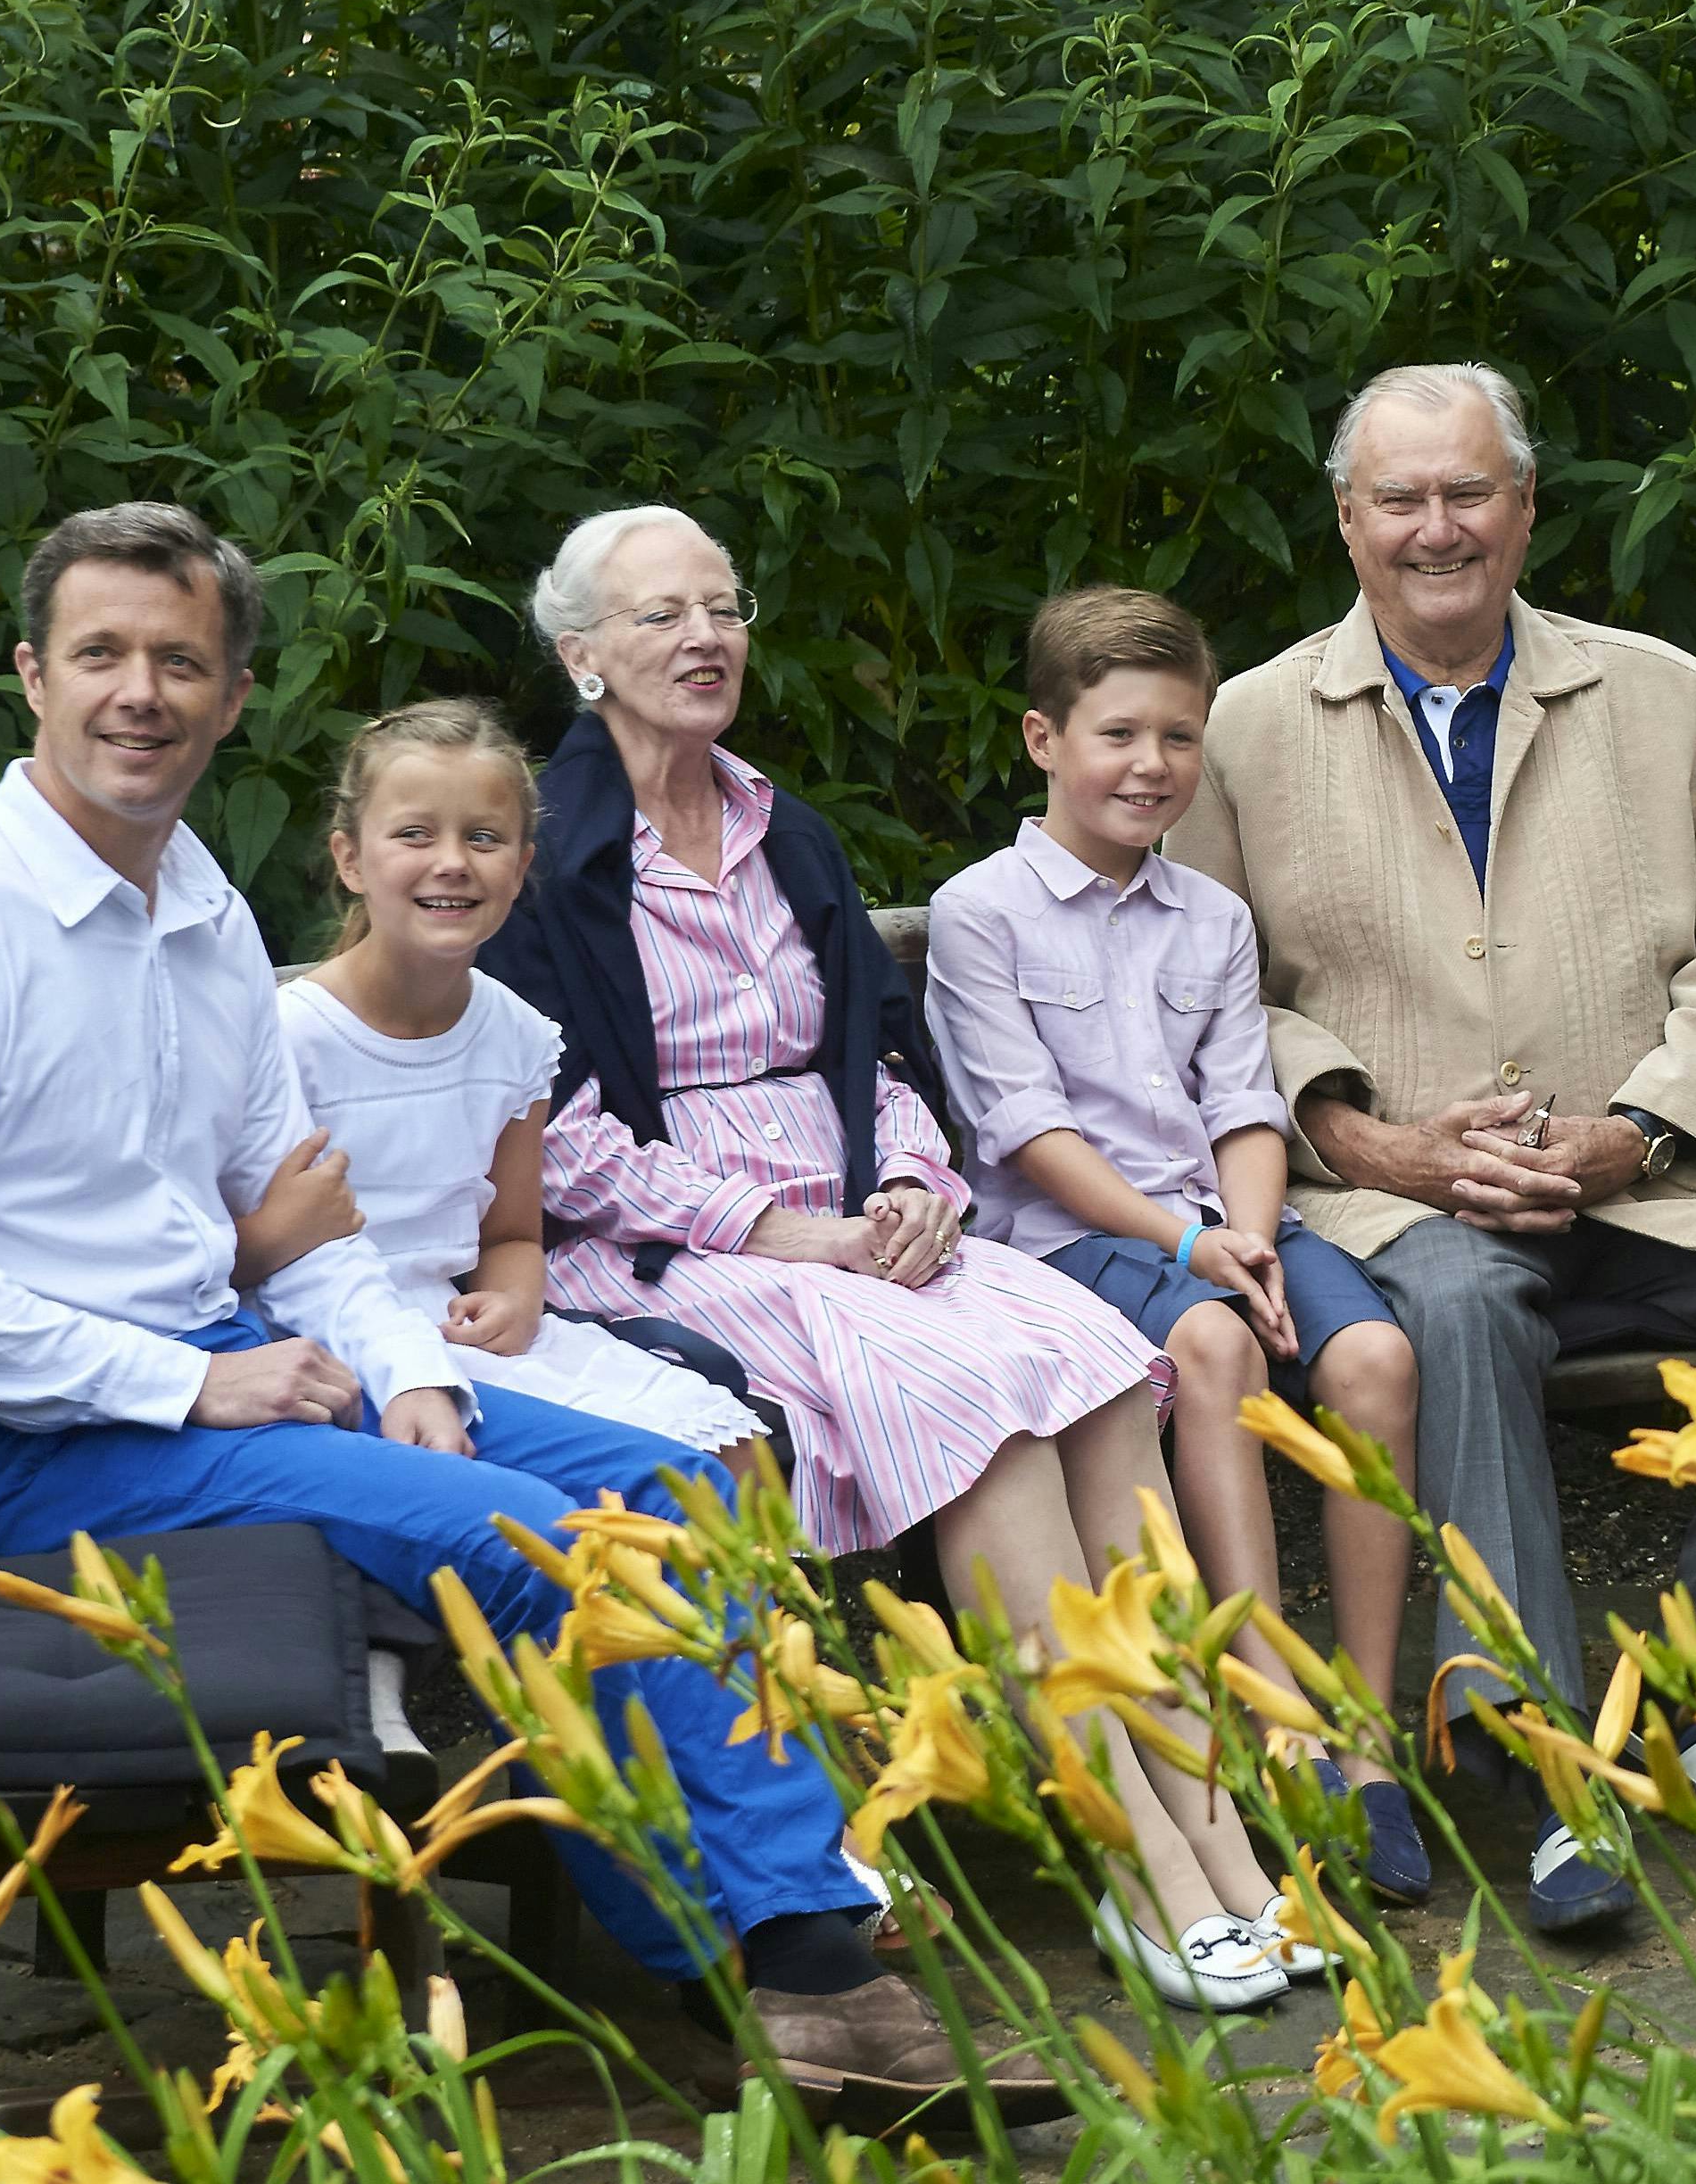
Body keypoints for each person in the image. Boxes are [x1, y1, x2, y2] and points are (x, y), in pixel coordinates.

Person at [0, 506, 1046, 2118]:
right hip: (18, 1436)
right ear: (31, 673)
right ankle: (789, 1969)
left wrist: (411, 1379)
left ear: (236, 690)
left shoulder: (197, 917)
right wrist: (193, 1389)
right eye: (102, 653)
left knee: (665, 1490)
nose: (141, 691)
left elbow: (316, 1223)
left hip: (218, 1369)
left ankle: (777, 1936)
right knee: (521, 1539)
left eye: (181, 658)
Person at [472, 509, 1312, 2009]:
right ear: (577, 650)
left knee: (1096, 1359)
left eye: (722, 604)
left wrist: (920, 1180)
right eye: (659, 613)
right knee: (976, 1391)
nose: (703, 636)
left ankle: (1219, 1828)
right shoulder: (544, 857)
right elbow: (549, 1134)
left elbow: (877, 1049)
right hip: (667, 1252)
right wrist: (775, 1225)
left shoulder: (785, 826)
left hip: (862, 1230)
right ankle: (1138, 1864)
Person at [1170, 364, 1696, 1938]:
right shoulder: (1246, 723)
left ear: (1524, 508)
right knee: (1448, 1312)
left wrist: (1633, 1130)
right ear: (1346, 518)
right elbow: (1207, 981)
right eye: (1401, 498)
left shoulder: (1662, 691)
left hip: (1661, 1171)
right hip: (1402, 1197)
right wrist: (1368, 1136)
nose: (1435, 528)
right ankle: (1542, 1744)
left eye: (1468, 493)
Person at [921, 584, 1435, 1907]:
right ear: (1043, 738)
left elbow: (1244, 1106)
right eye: (1118, 734)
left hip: (1227, 1221)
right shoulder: (984, 914)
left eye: (1180, 737)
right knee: (1213, 1348)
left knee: (1374, 1356)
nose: (1152, 765)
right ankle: (1271, 1700)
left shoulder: (1208, 917)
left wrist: (1251, 1237)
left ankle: (1365, 1735)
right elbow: (1027, 1138)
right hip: (1070, 1241)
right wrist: (1192, 1248)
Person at [277, 699, 765, 1469]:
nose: (452, 862)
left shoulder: (517, 1037)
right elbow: (268, 1250)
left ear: (522, 866)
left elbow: (508, 1235)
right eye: (414, 834)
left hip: (459, 1330)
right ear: (350, 860)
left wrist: (511, 1299)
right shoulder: (293, 1037)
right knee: (627, 1474)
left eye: (483, 838)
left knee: (730, 1448)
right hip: (330, 1346)